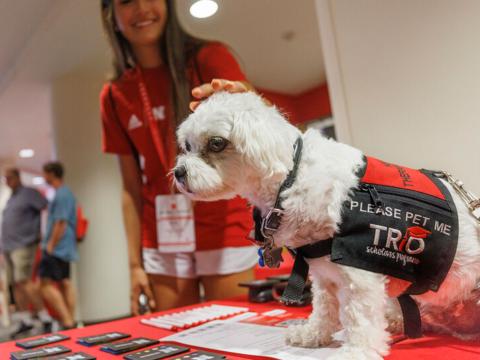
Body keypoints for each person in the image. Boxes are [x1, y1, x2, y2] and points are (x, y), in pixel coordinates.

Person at [99, 0, 258, 314]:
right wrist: (134, 265)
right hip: (163, 231)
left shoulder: (209, 58)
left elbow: (258, 122)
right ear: (112, 16)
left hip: (224, 221)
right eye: (127, 1)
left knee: (234, 336)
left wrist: (246, 100)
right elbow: (130, 187)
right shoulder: (115, 95)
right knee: (173, 340)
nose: (142, 8)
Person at [0, 168, 53, 337]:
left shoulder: (29, 193)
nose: (7, 181)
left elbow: (47, 208)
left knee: (24, 280)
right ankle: (25, 320)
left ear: (17, 177)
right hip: (8, 247)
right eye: (5, 178)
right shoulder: (11, 198)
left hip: (24, 244)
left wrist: (42, 236)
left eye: (9, 177)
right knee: (15, 283)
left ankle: (45, 317)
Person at [39, 162, 78, 329]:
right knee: (64, 282)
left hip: (58, 246)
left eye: (45, 173)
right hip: (64, 246)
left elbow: (60, 222)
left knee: (45, 284)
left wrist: (50, 245)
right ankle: (69, 321)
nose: (44, 177)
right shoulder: (64, 193)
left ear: (52, 174)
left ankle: (68, 320)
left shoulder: (62, 194)